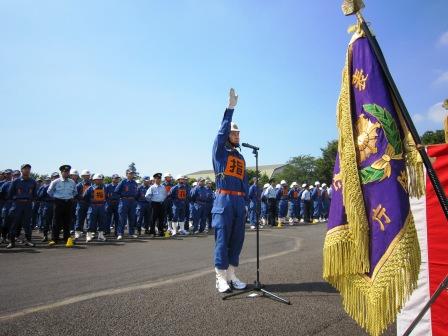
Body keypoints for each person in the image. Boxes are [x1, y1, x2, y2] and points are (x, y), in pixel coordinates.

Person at [211, 88, 248, 293]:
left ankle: (232, 274)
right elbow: (221, 132)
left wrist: (247, 204)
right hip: (223, 200)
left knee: (237, 239)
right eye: (233, 132)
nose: (236, 135)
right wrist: (230, 109)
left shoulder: (241, 157)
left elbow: (245, 181)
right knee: (223, 238)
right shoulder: (219, 152)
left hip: (238, 201)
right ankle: (220, 277)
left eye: (237, 132)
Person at [6, 164, 38, 248]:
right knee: (14, 223)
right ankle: (12, 242)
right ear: (21, 170)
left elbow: (35, 195)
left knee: (27, 224)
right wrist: (17, 199)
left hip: (28, 205)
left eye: (28, 169)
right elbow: (9, 194)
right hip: (17, 205)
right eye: (25, 168)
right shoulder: (16, 181)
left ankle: (28, 240)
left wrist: (30, 200)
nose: (27, 170)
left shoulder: (33, 182)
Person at [47, 165, 77, 247]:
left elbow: (75, 192)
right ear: (61, 172)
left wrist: (69, 197)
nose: (66, 173)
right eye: (65, 172)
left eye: (68, 172)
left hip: (68, 203)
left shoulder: (72, 182)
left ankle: (67, 239)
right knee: (56, 221)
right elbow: (49, 191)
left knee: (67, 221)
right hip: (58, 202)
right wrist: (57, 197)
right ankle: (54, 239)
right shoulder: (56, 181)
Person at [115, 169, 138, 240]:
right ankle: (120, 234)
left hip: (132, 201)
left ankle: (131, 233)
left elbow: (136, 192)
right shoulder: (123, 182)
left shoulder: (134, 182)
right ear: (126, 174)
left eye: (132, 173)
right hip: (124, 201)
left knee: (132, 218)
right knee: (122, 219)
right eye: (130, 173)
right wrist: (122, 197)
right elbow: (116, 191)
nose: (131, 175)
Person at [83, 174, 107, 242]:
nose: (99, 181)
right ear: (94, 180)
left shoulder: (104, 188)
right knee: (91, 221)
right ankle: (89, 235)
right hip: (93, 206)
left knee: (101, 221)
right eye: (98, 180)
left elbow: (107, 196)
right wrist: (91, 202)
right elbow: (85, 197)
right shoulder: (90, 188)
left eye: (100, 180)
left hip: (102, 206)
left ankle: (101, 235)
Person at [145, 173, 167, 237]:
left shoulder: (163, 187)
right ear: (154, 179)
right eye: (157, 178)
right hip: (154, 204)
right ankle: (152, 232)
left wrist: (162, 199)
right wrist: (151, 201)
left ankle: (160, 231)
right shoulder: (152, 187)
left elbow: (165, 195)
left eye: (160, 178)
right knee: (153, 218)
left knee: (161, 218)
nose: (159, 180)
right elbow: (147, 196)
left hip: (161, 204)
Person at [37, 173, 58, 242]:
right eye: (54, 177)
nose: (56, 178)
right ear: (52, 178)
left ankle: (54, 236)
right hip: (48, 204)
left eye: (57, 177)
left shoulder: (60, 185)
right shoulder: (46, 186)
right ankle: (45, 235)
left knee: (55, 221)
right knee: (46, 221)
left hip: (57, 204)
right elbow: (40, 196)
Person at [74, 170, 92, 239]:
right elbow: (75, 194)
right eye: (85, 176)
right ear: (82, 177)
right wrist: (80, 197)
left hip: (90, 204)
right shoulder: (79, 185)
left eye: (88, 176)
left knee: (89, 219)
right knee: (79, 218)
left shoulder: (92, 185)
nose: (86, 177)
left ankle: (89, 233)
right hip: (81, 204)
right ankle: (78, 232)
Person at [0, 169, 13, 244]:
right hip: (3, 203)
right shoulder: (1, 183)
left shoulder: (15, 183)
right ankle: (3, 236)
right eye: (7, 174)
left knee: (11, 221)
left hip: (12, 204)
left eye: (9, 174)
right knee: (3, 221)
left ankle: (8, 237)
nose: (8, 175)